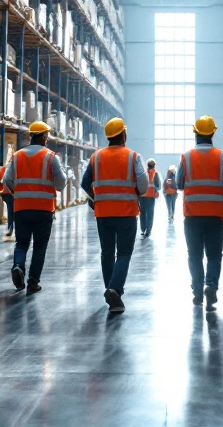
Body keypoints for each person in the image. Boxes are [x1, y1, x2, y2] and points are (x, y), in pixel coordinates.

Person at [80, 118, 148, 313]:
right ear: (123, 134)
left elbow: (85, 184)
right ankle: (114, 289)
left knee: (107, 253)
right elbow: (143, 187)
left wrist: (97, 198)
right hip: (126, 213)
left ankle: (111, 292)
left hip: (103, 214)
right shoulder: (133, 156)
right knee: (124, 253)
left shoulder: (96, 158)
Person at [177, 115, 223, 311]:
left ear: (195, 133)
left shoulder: (186, 157)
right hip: (216, 216)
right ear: (213, 133)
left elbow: (178, 183)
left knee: (194, 255)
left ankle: (196, 291)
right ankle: (210, 286)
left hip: (192, 215)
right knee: (214, 255)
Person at [2, 121, 66, 294]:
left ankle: (18, 266)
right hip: (44, 210)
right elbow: (60, 184)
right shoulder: (51, 157)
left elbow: (7, 180)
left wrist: (20, 193)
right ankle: (33, 282)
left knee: (21, 243)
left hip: (21, 208)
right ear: (44, 137)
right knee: (39, 246)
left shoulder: (17, 156)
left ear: (31, 136)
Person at [0, 147, 15, 242]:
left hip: (6, 194)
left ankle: (10, 228)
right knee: (14, 212)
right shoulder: (14, 167)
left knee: (10, 212)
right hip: (11, 194)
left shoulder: (5, 167)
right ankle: (11, 229)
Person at [139, 158, 161, 237]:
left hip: (142, 196)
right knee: (150, 214)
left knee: (142, 213)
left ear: (147, 165)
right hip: (150, 197)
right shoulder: (156, 174)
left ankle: (143, 229)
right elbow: (158, 186)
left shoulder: (143, 173)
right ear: (154, 165)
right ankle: (148, 231)